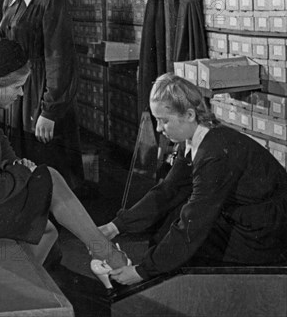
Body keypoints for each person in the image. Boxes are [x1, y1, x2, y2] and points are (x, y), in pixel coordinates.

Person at [0, 38, 129, 275]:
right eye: (16, 87)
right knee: (49, 181)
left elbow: (4, 149)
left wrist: (17, 166)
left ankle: (26, 283)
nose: (21, 93)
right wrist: (21, 171)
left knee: (48, 228)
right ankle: (103, 252)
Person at [99, 73, 287, 286]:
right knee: (169, 226)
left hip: (266, 231)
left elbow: (195, 220)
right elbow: (168, 190)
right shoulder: (197, 137)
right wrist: (117, 226)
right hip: (246, 214)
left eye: (164, 121)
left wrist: (143, 271)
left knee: (188, 241)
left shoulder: (214, 152)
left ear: (189, 115)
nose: (159, 129)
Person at [0, 0, 85, 191]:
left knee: (49, 166)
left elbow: (59, 58)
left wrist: (50, 110)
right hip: (19, 92)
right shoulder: (10, 0)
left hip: (43, 92)